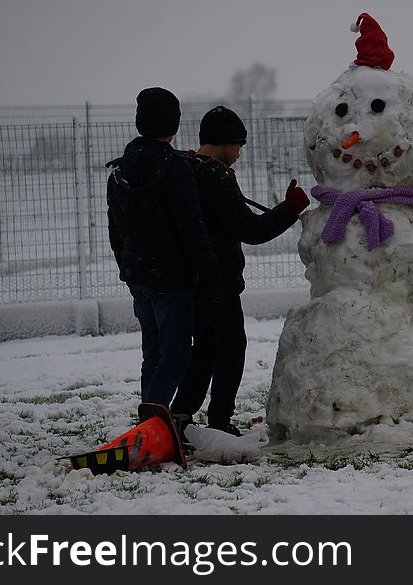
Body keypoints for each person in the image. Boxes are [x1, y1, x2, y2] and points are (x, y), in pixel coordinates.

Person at [171, 106, 310, 436]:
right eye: (239, 146)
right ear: (224, 142)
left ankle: (181, 416)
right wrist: (290, 208)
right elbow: (251, 229)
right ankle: (211, 418)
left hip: (191, 278)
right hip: (217, 281)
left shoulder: (188, 169)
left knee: (204, 349)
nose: (239, 154)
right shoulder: (215, 175)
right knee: (229, 350)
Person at [106, 87, 220, 410]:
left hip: (137, 274)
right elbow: (191, 228)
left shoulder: (122, 170)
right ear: (174, 124)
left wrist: (127, 265)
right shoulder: (175, 168)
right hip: (170, 278)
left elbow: (116, 228)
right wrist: (209, 273)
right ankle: (151, 422)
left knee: (153, 353)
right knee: (177, 355)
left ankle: (150, 419)